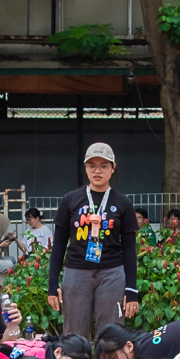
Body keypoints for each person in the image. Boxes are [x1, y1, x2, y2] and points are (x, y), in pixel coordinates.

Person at [48, 142, 139, 339]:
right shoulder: (70, 200)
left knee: (111, 336)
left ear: (113, 168)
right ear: (86, 168)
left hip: (112, 274)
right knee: (73, 335)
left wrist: (131, 289)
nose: (97, 171)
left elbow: (130, 250)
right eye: (92, 165)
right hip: (76, 274)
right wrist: (52, 284)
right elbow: (59, 246)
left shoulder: (122, 202)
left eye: (104, 165)